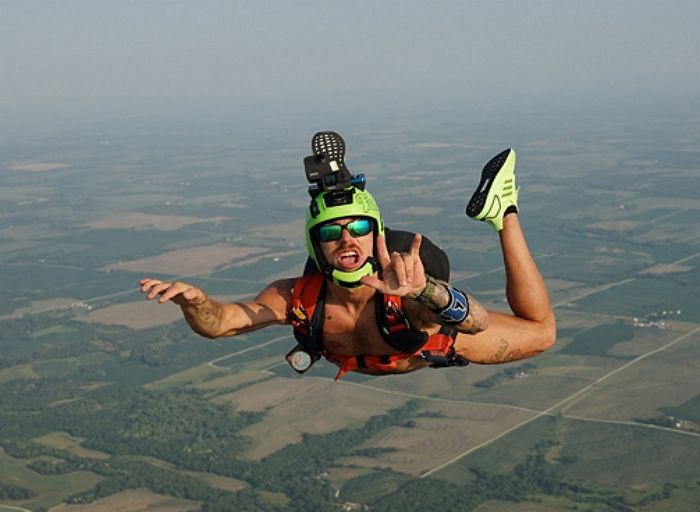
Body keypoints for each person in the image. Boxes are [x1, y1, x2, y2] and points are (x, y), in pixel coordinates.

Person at [140, 145, 556, 379]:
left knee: (543, 333)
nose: (344, 239)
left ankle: (503, 212)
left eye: (357, 226)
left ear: (374, 231)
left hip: (425, 342)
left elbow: (474, 324)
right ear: (314, 244)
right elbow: (223, 323)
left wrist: (424, 291)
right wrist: (196, 303)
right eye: (328, 232)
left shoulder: (404, 290)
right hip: (374, 354)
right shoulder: (298, 297)